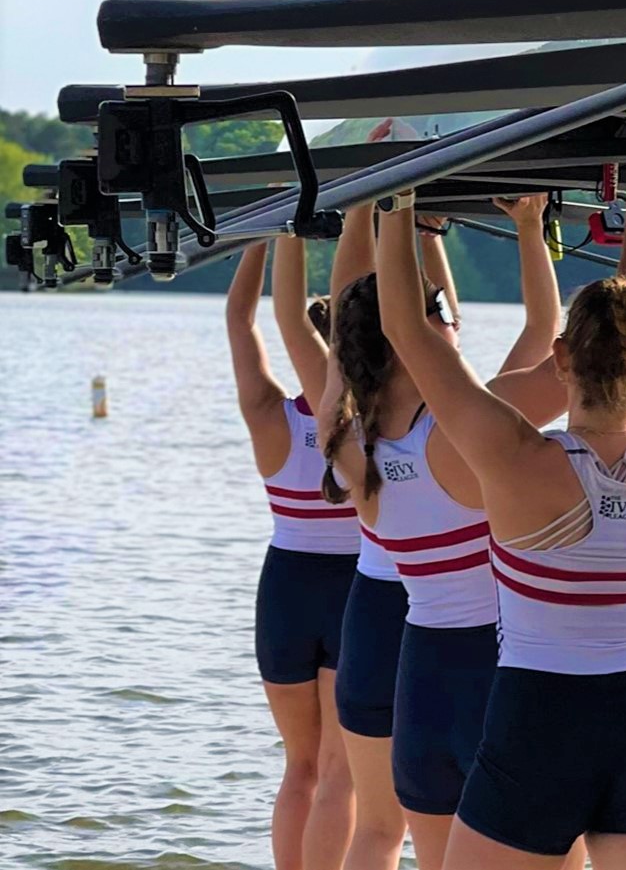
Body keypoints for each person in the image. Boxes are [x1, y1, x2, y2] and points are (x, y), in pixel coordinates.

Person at [376, 167, 626, 870]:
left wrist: (397, 198)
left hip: (538, 723)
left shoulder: (513, 456)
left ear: (560, 359)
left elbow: (404, 330)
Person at [320, 185, 570, 870]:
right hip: (496, 667)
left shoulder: (344, 438)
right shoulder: (469, 434)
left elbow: (348, 334)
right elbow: (572, 358)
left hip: (419, 674)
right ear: (423, 331)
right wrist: (533, 230)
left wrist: (368, 213)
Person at [226, 236, 357, 870]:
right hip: (355, 589)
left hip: (285, 589)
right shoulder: (372, 425)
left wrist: (266, 238)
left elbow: (239, 319)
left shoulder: (264, 413)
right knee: (340, 770)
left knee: (300, 766)